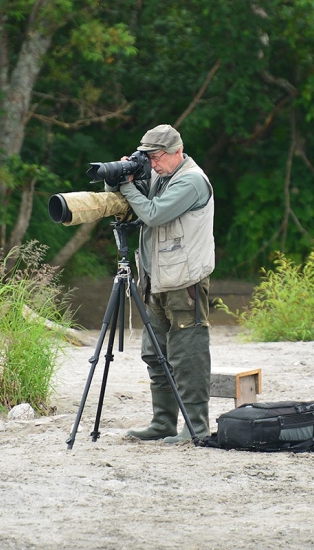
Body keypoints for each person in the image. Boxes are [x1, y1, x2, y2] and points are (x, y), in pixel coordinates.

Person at [105, 124, 215, 443]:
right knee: (155, 353)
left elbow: (152, 213)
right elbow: (130, 206)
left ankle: (196, 427)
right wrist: (123, 176)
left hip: (185, 283)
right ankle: (163, 422)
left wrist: (128, 186)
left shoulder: (191, 181)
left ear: (176, 151)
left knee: (186, 355)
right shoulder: (161, 174)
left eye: (157, 157)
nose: (153, 164)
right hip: (155, 279)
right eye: (148, 158)